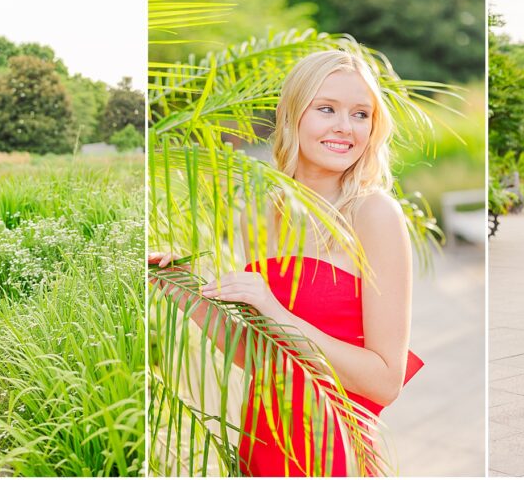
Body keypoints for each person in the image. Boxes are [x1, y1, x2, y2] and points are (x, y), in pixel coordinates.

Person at [149, 50, 423, 475]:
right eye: (326, 108)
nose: (344, 127)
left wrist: (275, 311)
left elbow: (385, 382)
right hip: (264, 438)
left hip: (335, 449)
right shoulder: (259, 214)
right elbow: (260, 357)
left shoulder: (373, 214)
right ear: (293, 114)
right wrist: (182, 288)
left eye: (361, 114)